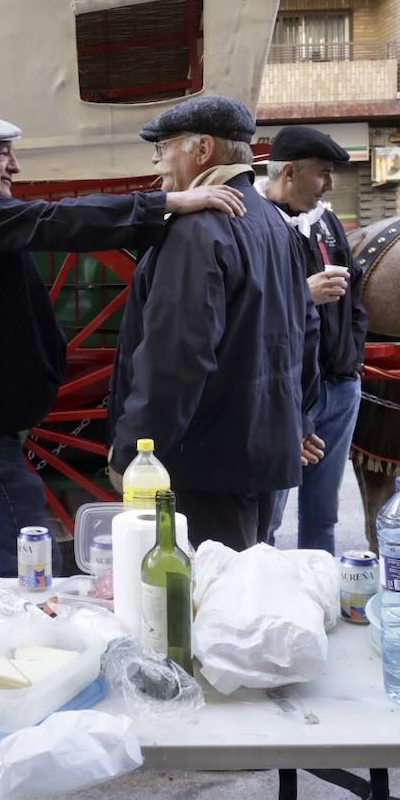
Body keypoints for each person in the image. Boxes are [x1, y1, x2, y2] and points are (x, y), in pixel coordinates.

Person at [0, 113, 246, 577]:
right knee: (35, 572)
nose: (14, 166)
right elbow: (53, 219)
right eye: (1, 154)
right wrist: (168, 202)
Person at [107, 95, 324, 553]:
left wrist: (131, 455)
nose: (155, 159)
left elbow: (175, 361)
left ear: (202, 150)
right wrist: (298, 421)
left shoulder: (197, 230)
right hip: (260, 453)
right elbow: (305, 330)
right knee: (243, 598)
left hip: (205, 462)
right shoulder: (274, 221)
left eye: (163, 146)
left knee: (206, 605)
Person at [261, 126, 368, 555]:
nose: (330, 184)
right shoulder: (256, 223)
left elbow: (355, 295)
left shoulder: (326, 222)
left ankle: (319, 595)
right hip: (284, 397)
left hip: (340, 388)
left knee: (323, 514)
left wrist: (352, 364)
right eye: (323, 173)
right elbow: (239, 308)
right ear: (289, 172)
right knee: (266, 514)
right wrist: (302, 294)